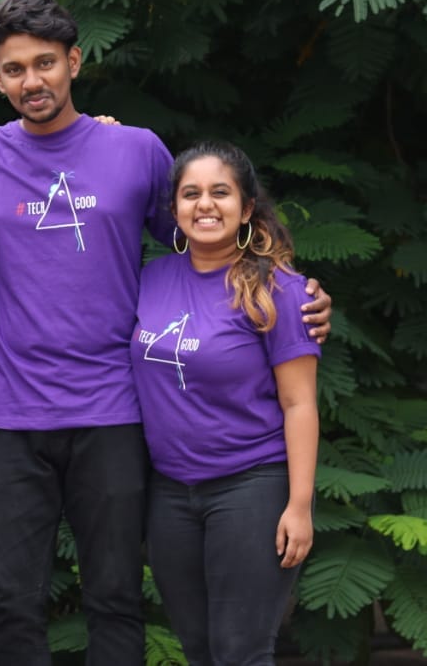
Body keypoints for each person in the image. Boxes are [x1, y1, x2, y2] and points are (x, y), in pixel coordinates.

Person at [0, 0, 331, 664]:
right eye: (15, 69)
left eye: (45, 62)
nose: (32, 80)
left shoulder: (135, 150)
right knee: (10, 600)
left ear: (74, 61)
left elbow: (207, 232)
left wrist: (288, 293)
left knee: (116, 594)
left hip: (113, 411)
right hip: (10, 412)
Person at [133, 141, 319, 664]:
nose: (205, 205)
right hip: (169, 493)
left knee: (240, 650)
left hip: (251, 487)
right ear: (174, 210)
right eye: (190, 194)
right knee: (198, 648)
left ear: (246, 206)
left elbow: (299, 403)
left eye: (220, 192)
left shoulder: (280, 291)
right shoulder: (150, 278)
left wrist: (299, 507)